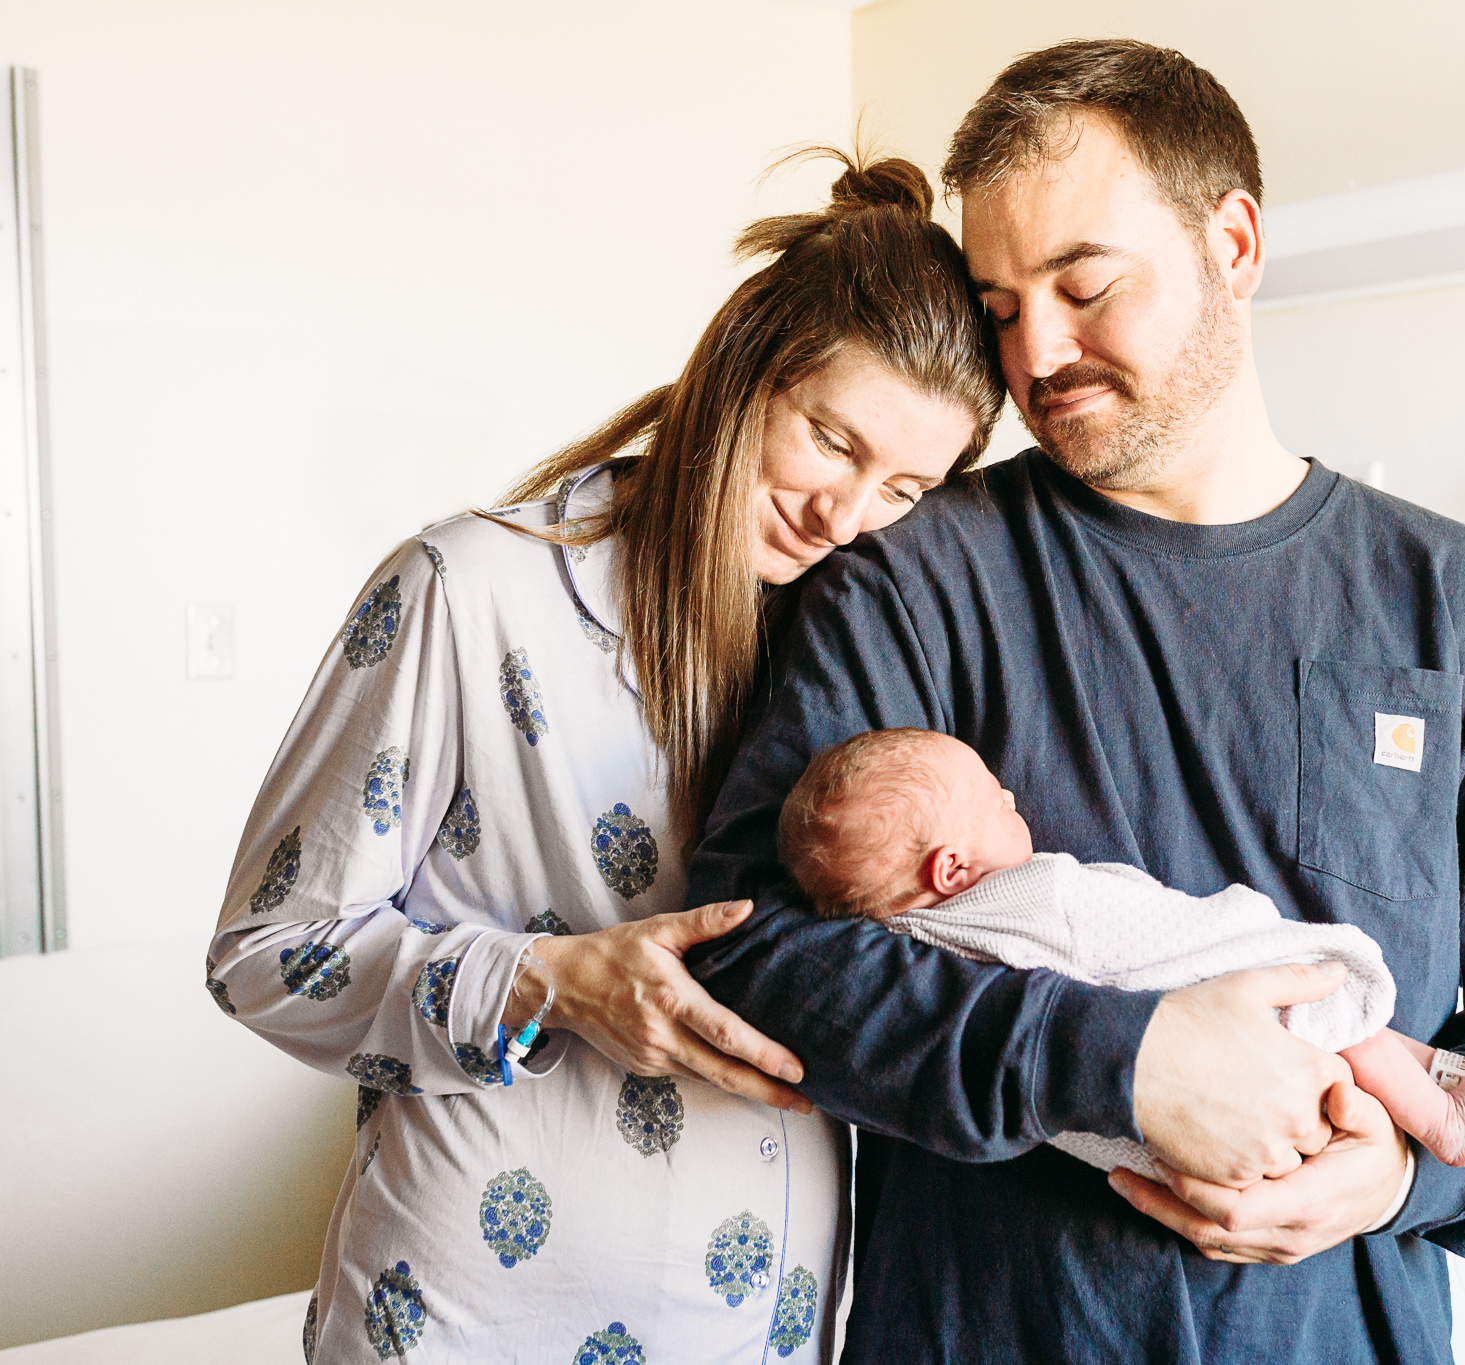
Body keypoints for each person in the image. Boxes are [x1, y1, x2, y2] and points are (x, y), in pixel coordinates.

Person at [688, 39, 1465, 1364]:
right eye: (1000, 305)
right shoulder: (915, 580)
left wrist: (1407, 1176)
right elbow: (755, 947)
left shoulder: (1460, 610)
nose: (1038, 350)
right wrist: (1116, 1062)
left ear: (1236, 243)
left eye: (1085, 286)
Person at [204, 152, 1004, 1364]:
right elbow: (267, 956)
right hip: (467, 1317)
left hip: (768, 1326)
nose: (844, 515)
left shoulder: (875, 656)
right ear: (741, 370)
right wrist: (553, 984)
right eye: (831, 441)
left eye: (904, 485)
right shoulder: (468, 590)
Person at [776, 725, 1465, 1173]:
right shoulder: (1030, 899)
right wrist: (1236, 927)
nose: (1012, 796)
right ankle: (1448, 1119)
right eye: (992, 798)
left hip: (1149, 1148)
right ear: (951, 868)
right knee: (1337, 1018)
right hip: (1196, 1049)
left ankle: (1457, 1075)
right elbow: (1136, 927)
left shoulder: (894, 947)